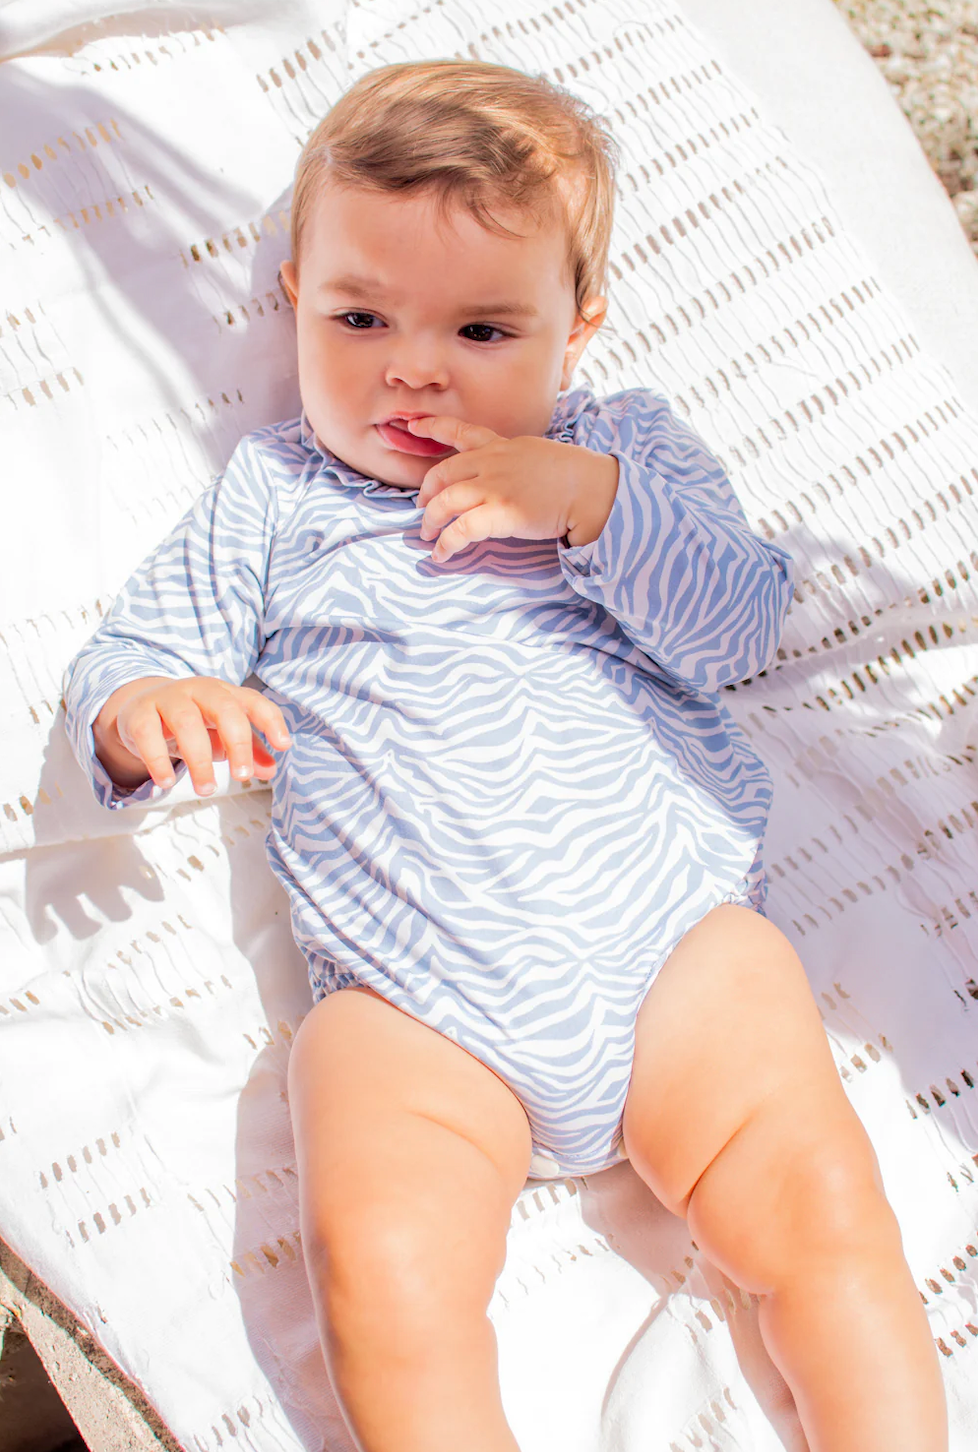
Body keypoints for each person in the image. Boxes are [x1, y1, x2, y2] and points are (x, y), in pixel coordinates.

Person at [62, 57, 947, 1452]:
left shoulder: (621, 451)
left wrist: (590, 505)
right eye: (361, 316)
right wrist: (148, 708)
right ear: (295, 293)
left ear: (574, 327)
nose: (411, 367)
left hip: (666, 954)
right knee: (387, 1280)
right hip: (417, 1008)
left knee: (821, 1214)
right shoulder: (274, 502)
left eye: (481, 331)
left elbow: (740, 618)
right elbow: (129, 650)